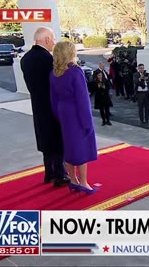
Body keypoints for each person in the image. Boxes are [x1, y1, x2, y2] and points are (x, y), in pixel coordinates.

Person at [20, 27, 69, 187]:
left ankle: (48, 173)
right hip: (53, 105)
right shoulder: (49, 59)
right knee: (56, 140)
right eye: (53, 38)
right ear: (47, 39)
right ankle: (59, 175)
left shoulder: (25, 58)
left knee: (45, 139)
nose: (54, 42)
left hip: (37, 105)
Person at [49, 41, 98, 195]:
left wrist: (59, 114)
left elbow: (53, 98)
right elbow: (83, 99)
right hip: (76, 112)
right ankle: (83, 183)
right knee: (80, 148)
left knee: (69, 147)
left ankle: (73, 180)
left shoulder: (54, 73)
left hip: (63, 112)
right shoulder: (75, 72)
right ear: (70, 53)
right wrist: (87, 123)